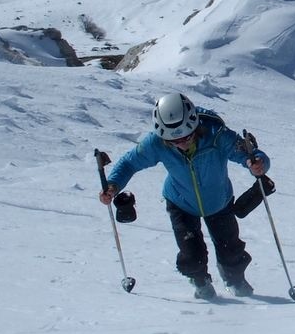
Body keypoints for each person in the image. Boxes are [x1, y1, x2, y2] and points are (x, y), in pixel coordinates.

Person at [98, 92, 270, 299]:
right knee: (191, 253)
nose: (181, 143)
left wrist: (257, 164)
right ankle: (200, 281)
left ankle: (235, 279)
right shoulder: (157, 143)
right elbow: (129, 162)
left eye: (186, 137)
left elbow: (249, 154)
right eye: (174, 140)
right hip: (180, 203)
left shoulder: (216, 133)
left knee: (231, 249)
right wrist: (113, 185)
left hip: (219, 202)